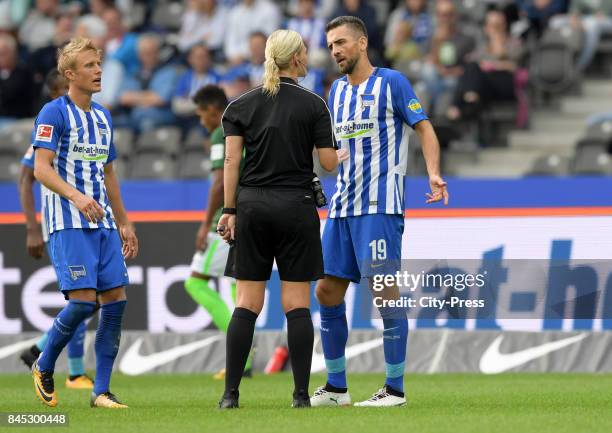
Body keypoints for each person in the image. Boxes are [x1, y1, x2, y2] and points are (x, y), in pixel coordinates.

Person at [310, 16, 448, 408]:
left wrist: (434, 173)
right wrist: (329, 161)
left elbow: (424, 127)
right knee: (326, 290)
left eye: (341, 42)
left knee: (384, 293)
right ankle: (337, 387)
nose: (335, 50)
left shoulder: (392, 83)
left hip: (380, 204)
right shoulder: (334, 93)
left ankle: (395, 389)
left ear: (362, 42)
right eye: (331, 44)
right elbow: (332, 155)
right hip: (342, 207)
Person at [217, 29, 339, 409]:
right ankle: (301, 396)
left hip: (252, 206)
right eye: (304, 52)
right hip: (296, 206)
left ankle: (230, 395)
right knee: (296, 304)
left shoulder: (240, 106)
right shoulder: (314, 104)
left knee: (246, 303)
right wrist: (348, 148)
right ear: (297, 59)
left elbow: (231, 162)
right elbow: (330, 164)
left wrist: (230, 210)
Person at [31, 36, 138, 409]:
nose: (98, 71)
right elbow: (41, 170)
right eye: (90, 66)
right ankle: (44, 364)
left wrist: (125, 222)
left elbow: (109, 174)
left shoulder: (103, 116)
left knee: (115, 301)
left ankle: (101, 391)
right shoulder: (53, 113)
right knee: (81, 302)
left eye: (99, 64)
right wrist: (76, 197)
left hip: (104, 223)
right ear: (70, 74)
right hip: (68, 220)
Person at [18, 70, 94, 390]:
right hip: (62, 221)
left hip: (86, 221)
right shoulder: (48, 128)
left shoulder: (85, 126)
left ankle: (40, 347)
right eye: (64, 89)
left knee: (93, 298)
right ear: (54, 93)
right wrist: (32, 229)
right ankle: (73, 372)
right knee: (82, 298)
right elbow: (26, 179)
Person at [183, 85, 254, 379]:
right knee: (240, 287)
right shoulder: (243, 123)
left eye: (201, 115)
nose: (202, 122)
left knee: (195, 283)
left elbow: (218, 182)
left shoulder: (220, 131)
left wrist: (206, 223)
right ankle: (244, 359)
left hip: (226, 220)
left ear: (213, 110)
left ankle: (242, 356)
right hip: (251, 213)